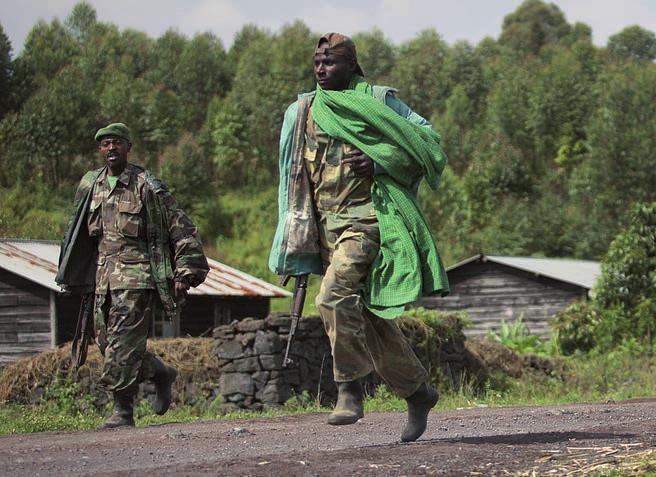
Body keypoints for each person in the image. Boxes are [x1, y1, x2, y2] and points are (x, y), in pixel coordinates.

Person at [269, 33, 450, 442]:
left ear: (352, 65)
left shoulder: (379, 100)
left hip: (368, 221)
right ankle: (417, 391)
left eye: (331, 62)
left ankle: (348, 389)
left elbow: (427, 142)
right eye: (317, 61)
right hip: (326, 229)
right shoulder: (302, 111)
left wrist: (380, 160)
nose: (321, 68)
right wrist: (293, 241)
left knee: (331, 297)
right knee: (366, 319)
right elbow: (291, 181)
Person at [56, 122, 209, 429]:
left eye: (116, 143)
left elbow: (181, 226)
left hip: (137, 277)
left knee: (123, 343)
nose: (110, 148)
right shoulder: (91, 186)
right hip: (102, 279)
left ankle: (122, 412)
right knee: (106, 343)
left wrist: (186, 269)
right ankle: (160, 372)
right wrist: (72, 274)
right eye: (105, 144)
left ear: (128, 147)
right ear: (100, 150)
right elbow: (76, 234)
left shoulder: (146, 185)